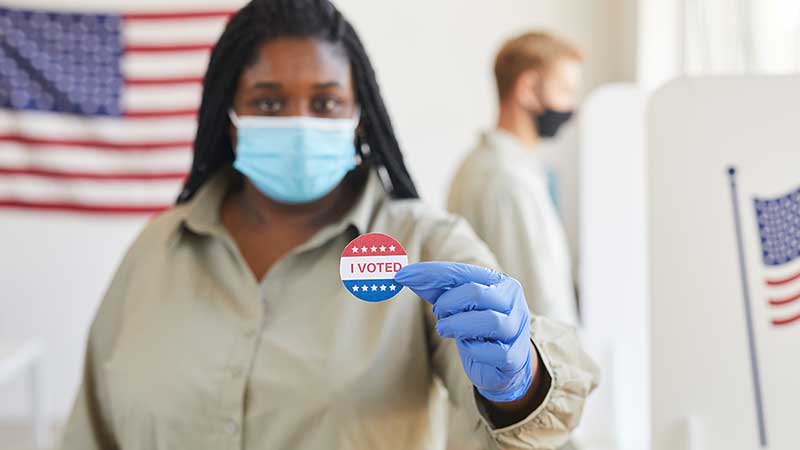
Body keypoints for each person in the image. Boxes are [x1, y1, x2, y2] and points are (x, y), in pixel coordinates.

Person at [60, 3, 598, 449]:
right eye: (268, 102)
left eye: (326, 102)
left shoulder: (425, 245)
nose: (299, 123)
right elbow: (92, 428)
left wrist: (520, 384)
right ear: (229, 116)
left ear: (360, 115)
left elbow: (531, 424)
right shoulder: (157, 249)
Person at [448, 32, 583, 326]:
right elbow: (537, 306)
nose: (572, 105)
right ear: (527, 89)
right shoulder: (506, 180)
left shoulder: (486, 165)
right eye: (565, 90)